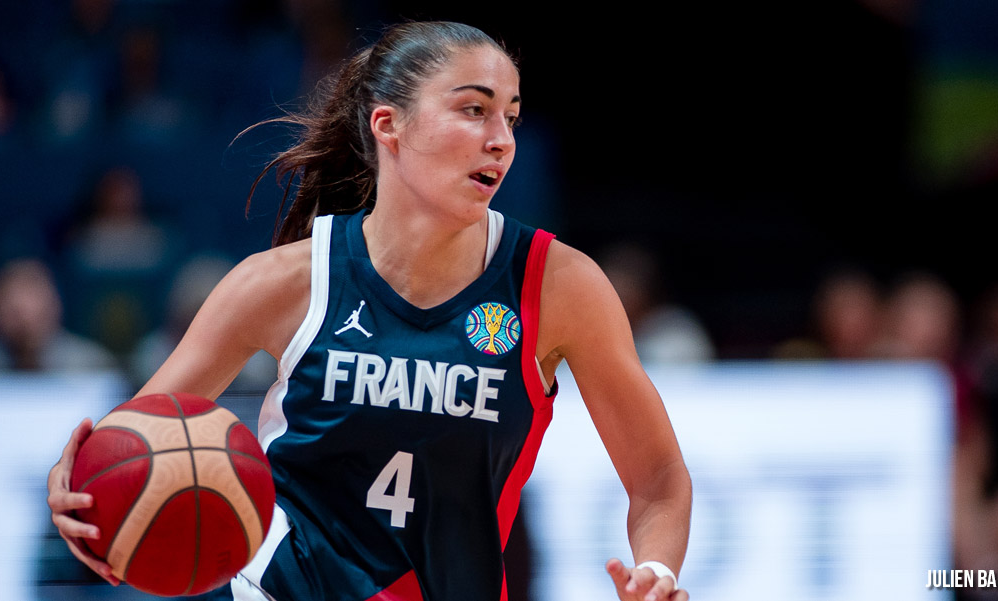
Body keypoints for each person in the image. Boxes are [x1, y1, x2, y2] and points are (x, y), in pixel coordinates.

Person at [47, 21, 692, 601]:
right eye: (474, 110)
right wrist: (80, 485)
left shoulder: (559, 286)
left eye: (511, 118)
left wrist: (656, 575)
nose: (500, 140)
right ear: (390, 125)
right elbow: (130, 443)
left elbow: (659, 477)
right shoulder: (286, 282)